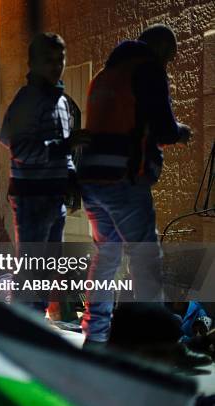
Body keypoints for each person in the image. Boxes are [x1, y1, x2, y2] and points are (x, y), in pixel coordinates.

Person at [78, 24, 192, 347]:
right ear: (158, 50)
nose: (167, 65)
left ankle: (95, 335)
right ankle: (154, 341)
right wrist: (180, 132)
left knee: (107, 255)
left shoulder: (103, 76)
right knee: (145, 257)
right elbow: (164, 127)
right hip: (123, 180)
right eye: (168, 57)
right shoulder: (148, 70)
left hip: (93, 181)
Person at [0, 32, 88, 312]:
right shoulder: (28, 100)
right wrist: (65, 146)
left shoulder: (60, 101)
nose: (56, 65)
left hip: (54, 196)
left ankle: (33, 327)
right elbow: (17, 147)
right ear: (32, 63)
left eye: (60, 59)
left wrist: (72, 177)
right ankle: (26, 332)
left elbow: (62, 151)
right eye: (48, 60)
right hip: (32, 198)